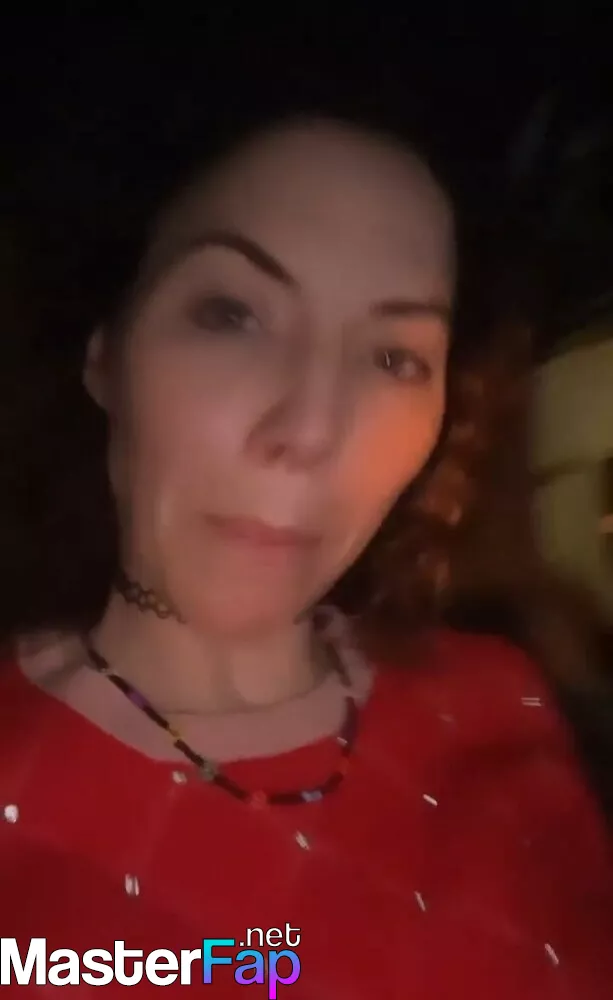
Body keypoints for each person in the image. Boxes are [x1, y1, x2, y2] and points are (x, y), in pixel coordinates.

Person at [1, 112, 612, 999]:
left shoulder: (497, 698)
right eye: (231, 315)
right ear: (106, 357)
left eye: (394, 357)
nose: (312, 428)